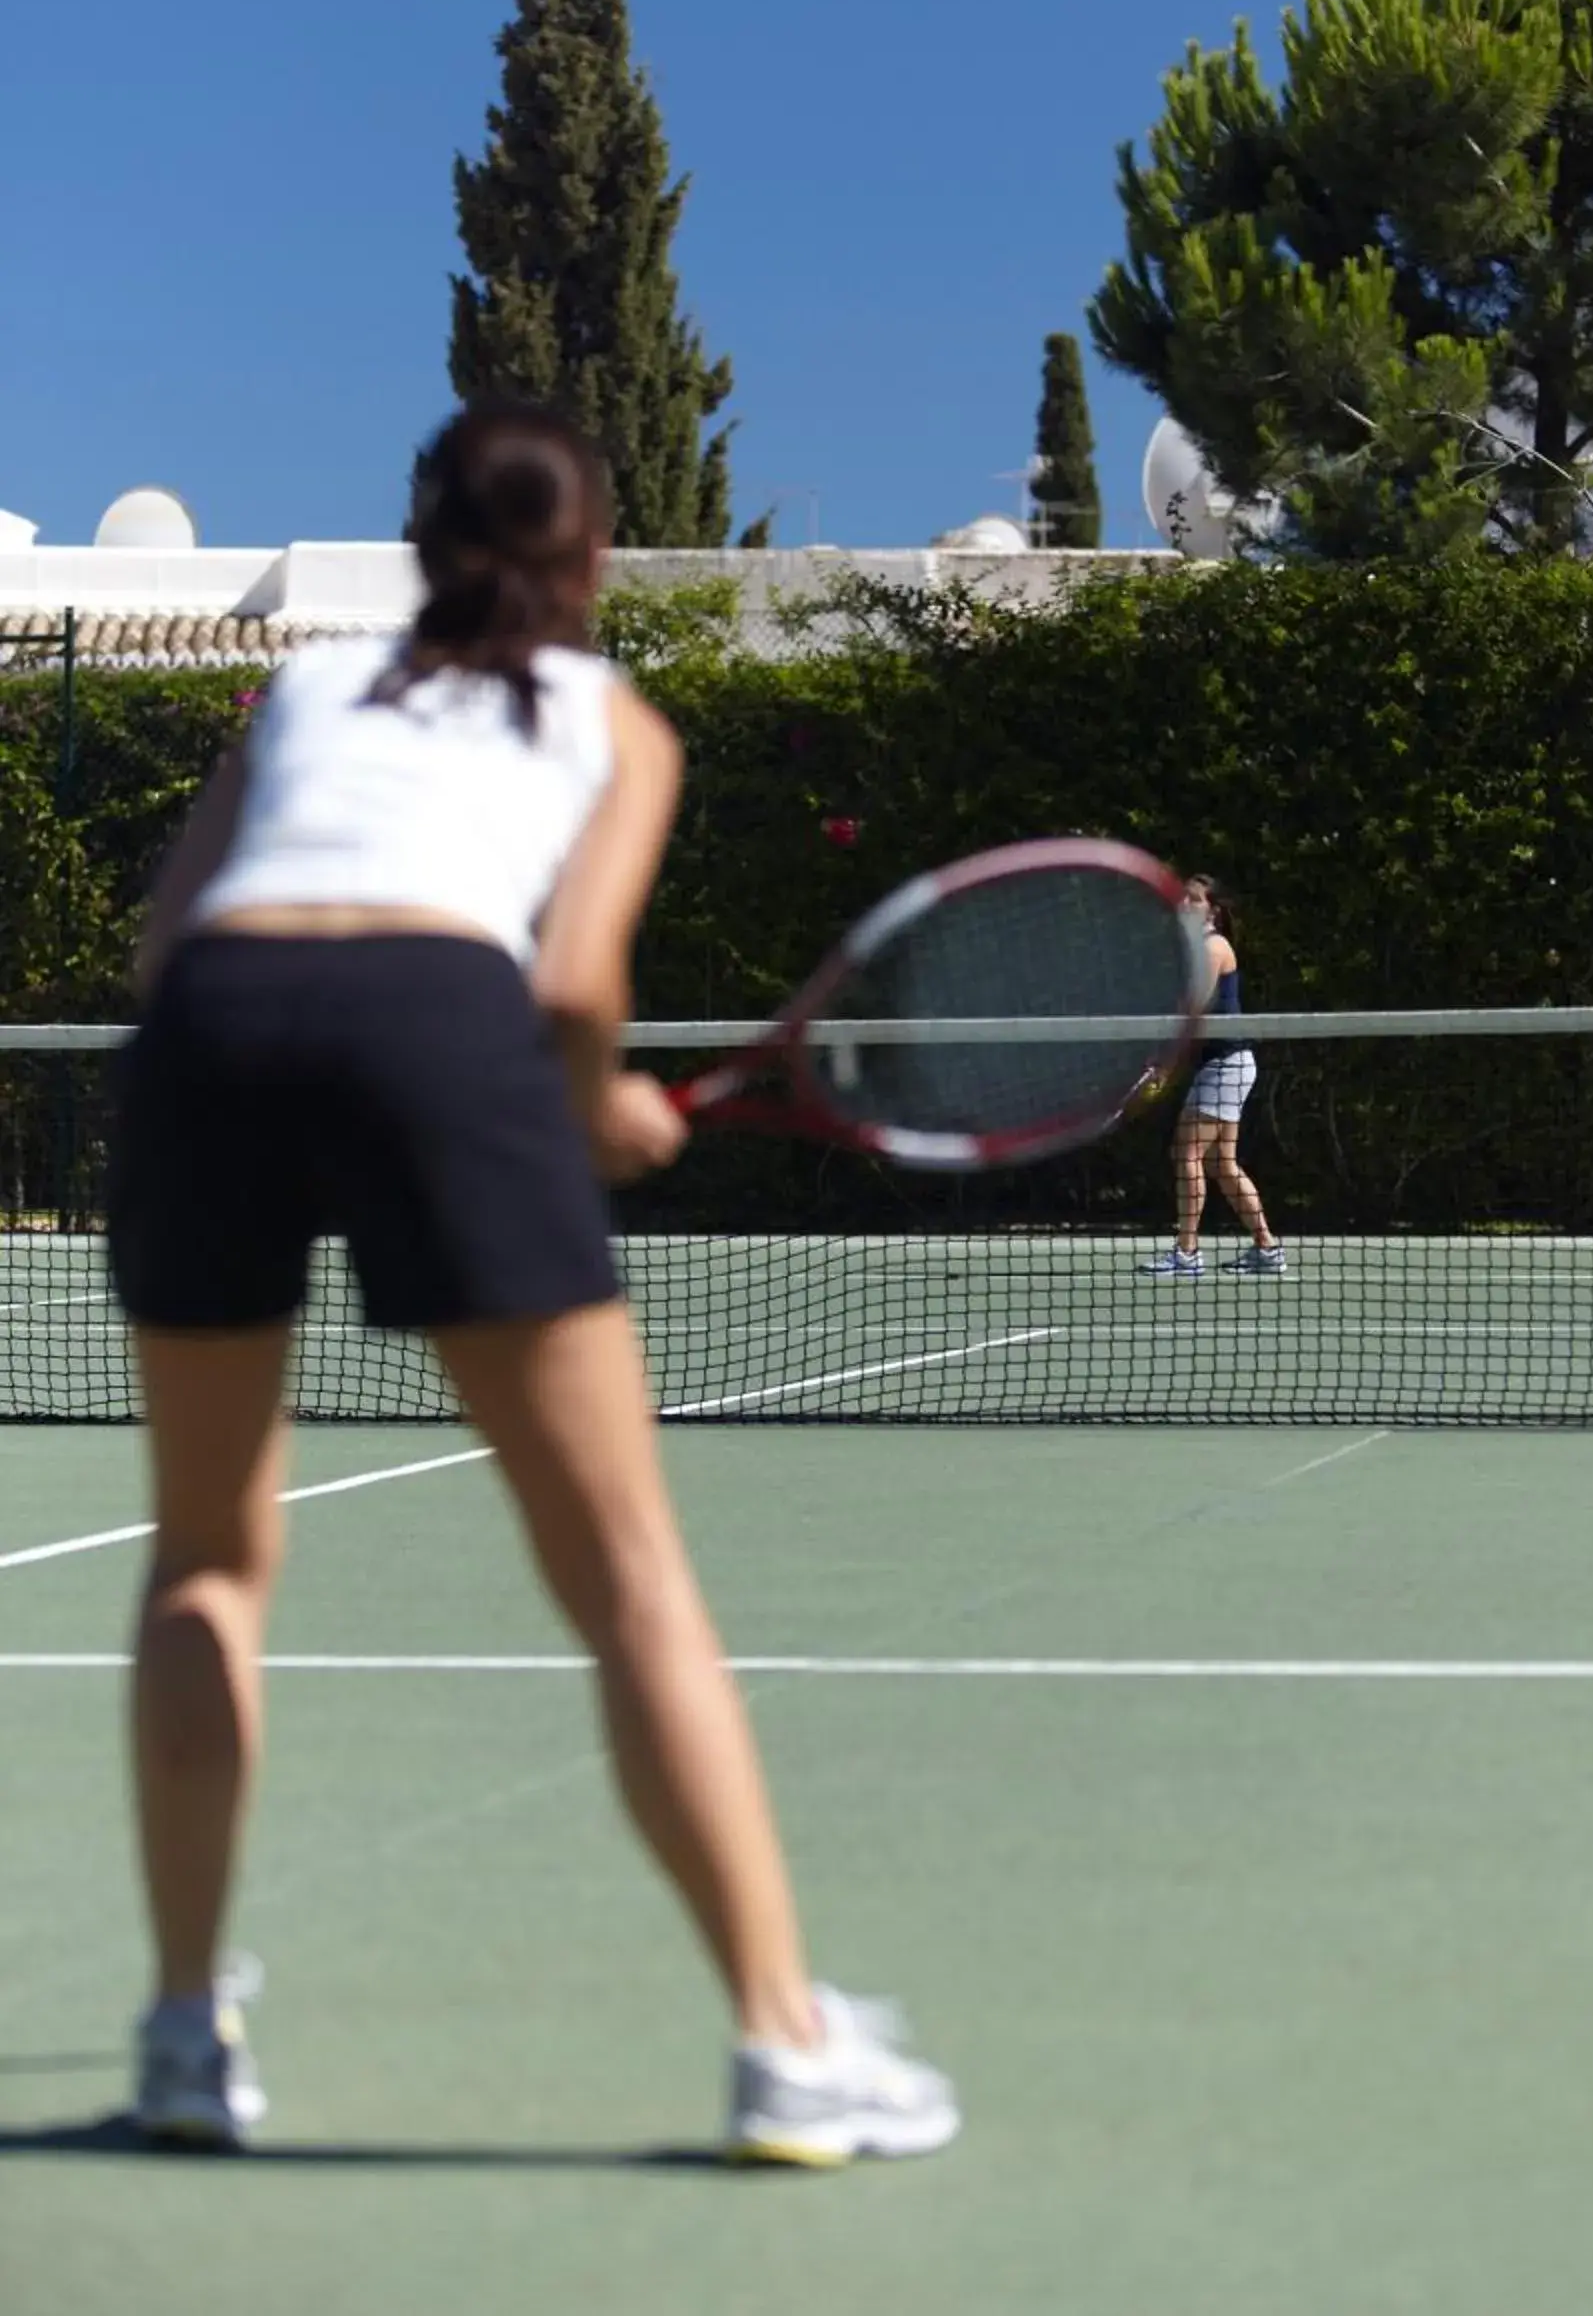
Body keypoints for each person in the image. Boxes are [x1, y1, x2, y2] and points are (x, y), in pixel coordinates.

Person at [107, 398, 957, 2164]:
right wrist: (598, 1114)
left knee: (202, 1558)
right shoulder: (607, 719)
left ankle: (186, 2034)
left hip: (211, 1035)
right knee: (631, 1578)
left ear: (422, 544)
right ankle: (787, 2046)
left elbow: (161, 941)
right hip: (440, 1023)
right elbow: (571, 989)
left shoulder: (309, 694)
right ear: (586, 562)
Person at [1145, 875, 1284, 1279]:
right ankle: (1267, 1248)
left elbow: (1193, 1012)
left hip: (1226, 1063)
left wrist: (1164, 1064)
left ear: (1214, 910)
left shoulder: (1213, 947)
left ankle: (1186, 1254)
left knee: (1186, 1155)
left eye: (1194, 900)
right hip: (1225, 1063)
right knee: (1222, 1164)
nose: (1184, 905)